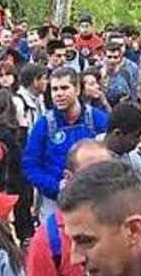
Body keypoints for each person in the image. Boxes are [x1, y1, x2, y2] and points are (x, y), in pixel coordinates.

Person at [26, 139, 111, 276]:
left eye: (108, 175)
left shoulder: (122, 228)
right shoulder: (48, 241)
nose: (101, 185)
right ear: (68, 179)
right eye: (91, 177)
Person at [22, 67, 109, 217]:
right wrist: (56, 187)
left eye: (64, 88)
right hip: (55, 202)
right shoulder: (43, 125)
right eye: (54, 89)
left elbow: (113, 156)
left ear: (77, 89)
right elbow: (30, 165)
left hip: (94, 200)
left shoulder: (98, 120)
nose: (59, 94)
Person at [101, 103, 141, 206]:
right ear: (117, 133)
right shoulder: (92, 155)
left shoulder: (135, 156)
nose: (138, 141)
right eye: (135, 137)